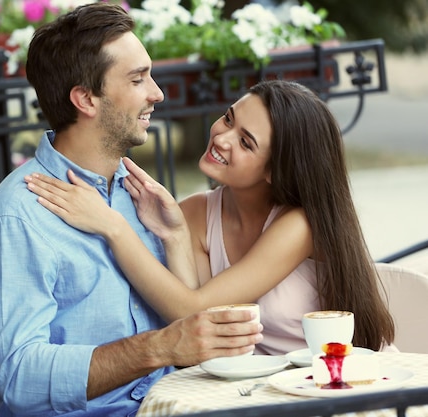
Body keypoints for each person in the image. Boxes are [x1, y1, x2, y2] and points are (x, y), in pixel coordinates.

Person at [0, 4, 263, 417]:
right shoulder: (16, 217)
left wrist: (174, 237)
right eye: (138, 79)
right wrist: (158, 347)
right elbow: (19, 378)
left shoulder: (138, 197)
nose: (156, 93)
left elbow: (192, 339)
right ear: (85, 99)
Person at [24, 79, 396, 356]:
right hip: (258, 396)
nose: (221, 137)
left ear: (276, 171)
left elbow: (192, 308)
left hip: (337, 389)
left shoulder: (299, 226)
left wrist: (112, 227)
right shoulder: (196, 212)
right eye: (228, 118)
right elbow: (196, 321)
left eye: (246, 142)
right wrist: (174, 236)